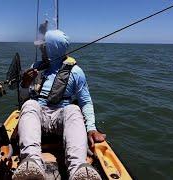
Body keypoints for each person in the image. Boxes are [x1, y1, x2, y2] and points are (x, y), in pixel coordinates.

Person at [12, 30, 106, 180]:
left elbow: (86, 101)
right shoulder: (36, 67)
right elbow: (24, 99)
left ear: (52, 48)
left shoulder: (76, 72)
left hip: (61, 117)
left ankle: (78, 170)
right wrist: (25, 84)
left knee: (73, 109)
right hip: (39, 115)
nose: (40, 49)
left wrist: (92, 128)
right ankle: (32, 164)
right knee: (30, 104)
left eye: (43, 46)